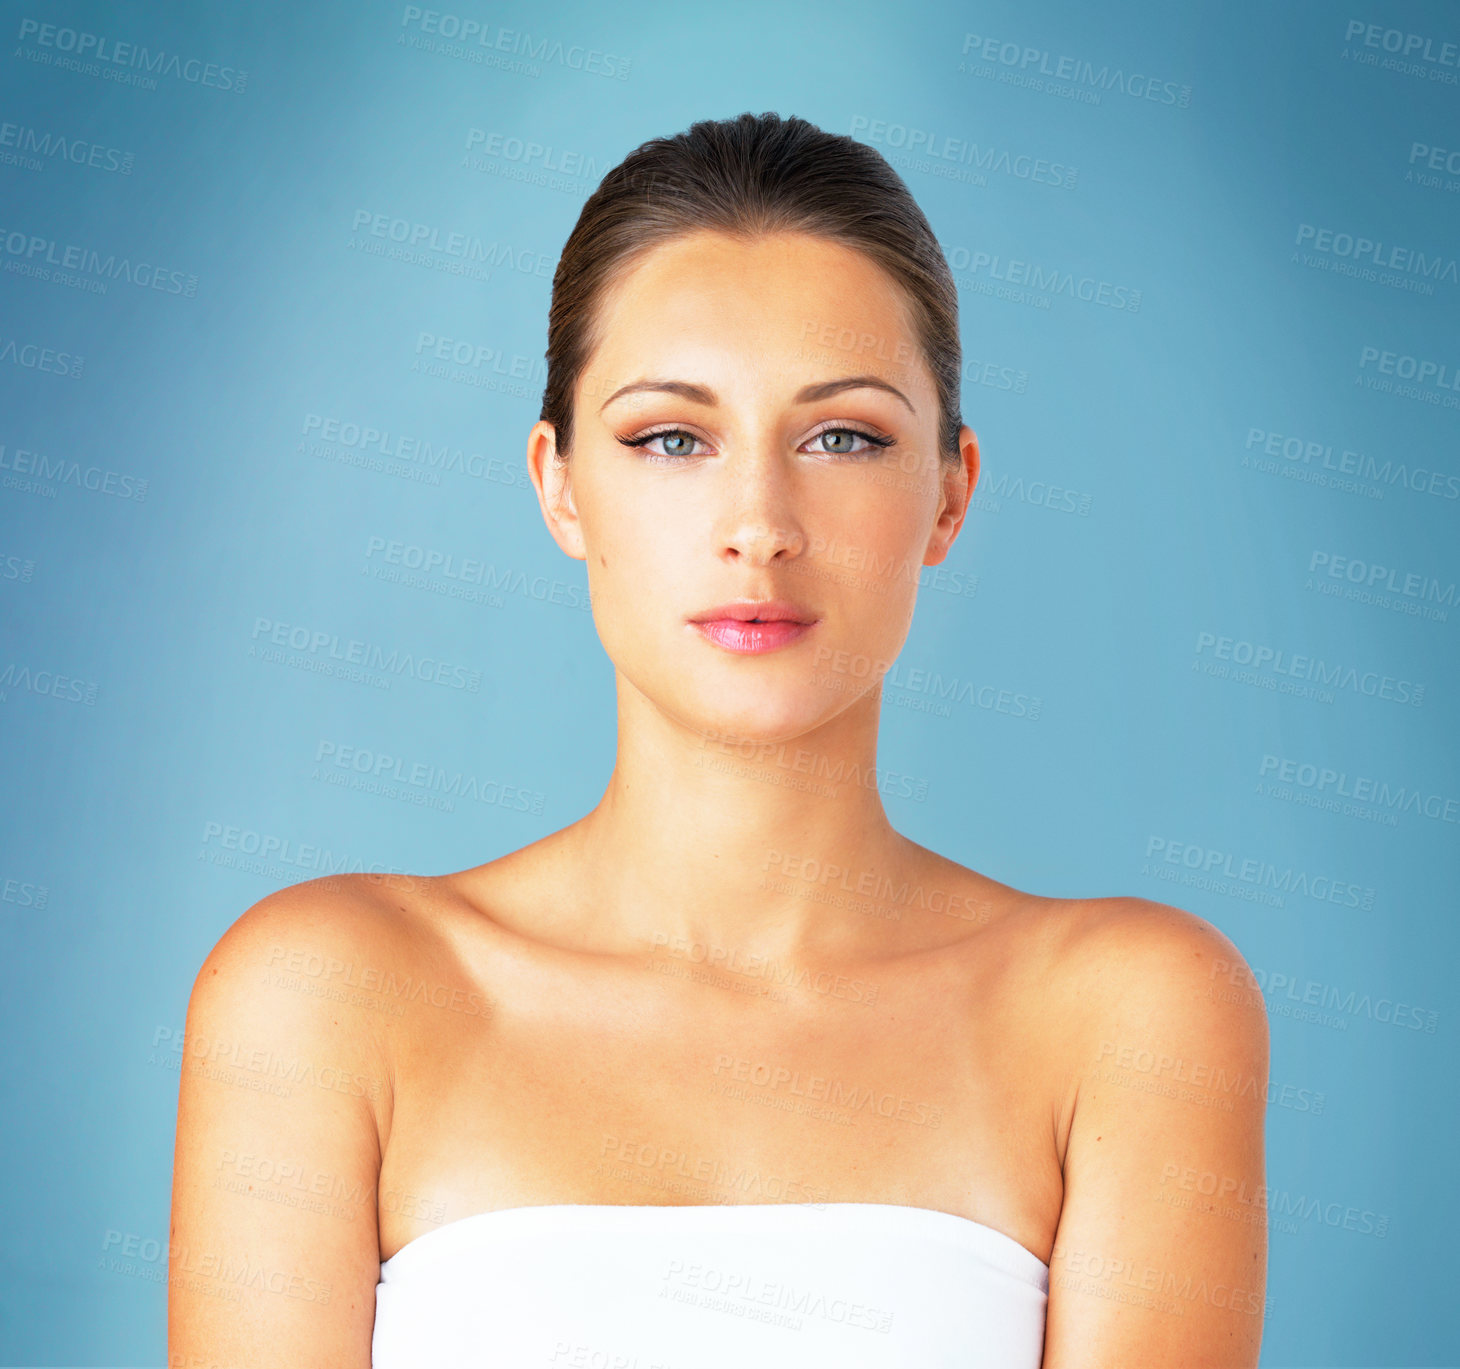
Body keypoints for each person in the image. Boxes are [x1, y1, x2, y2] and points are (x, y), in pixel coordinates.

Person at [169, 111, 1269, 1368]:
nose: (758, 522)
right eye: (670, 438)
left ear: (950, 493)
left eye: (842, 436)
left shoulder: (1129, 1013)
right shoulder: (325, 992)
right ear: (560, 484)